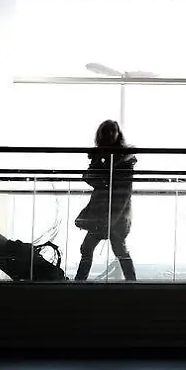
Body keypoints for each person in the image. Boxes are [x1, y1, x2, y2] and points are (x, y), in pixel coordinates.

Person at [74, 119, 137, 281]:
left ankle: (79, 282)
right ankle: (132, 283)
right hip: (111, 210)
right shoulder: (118, 158)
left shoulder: (121, 160)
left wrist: (99, 167)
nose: (109, 135)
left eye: (111, 131)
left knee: (94, 248)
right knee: (116, 248)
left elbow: (120, 189)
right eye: (107, 132)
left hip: (111, 209)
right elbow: (91, 178)